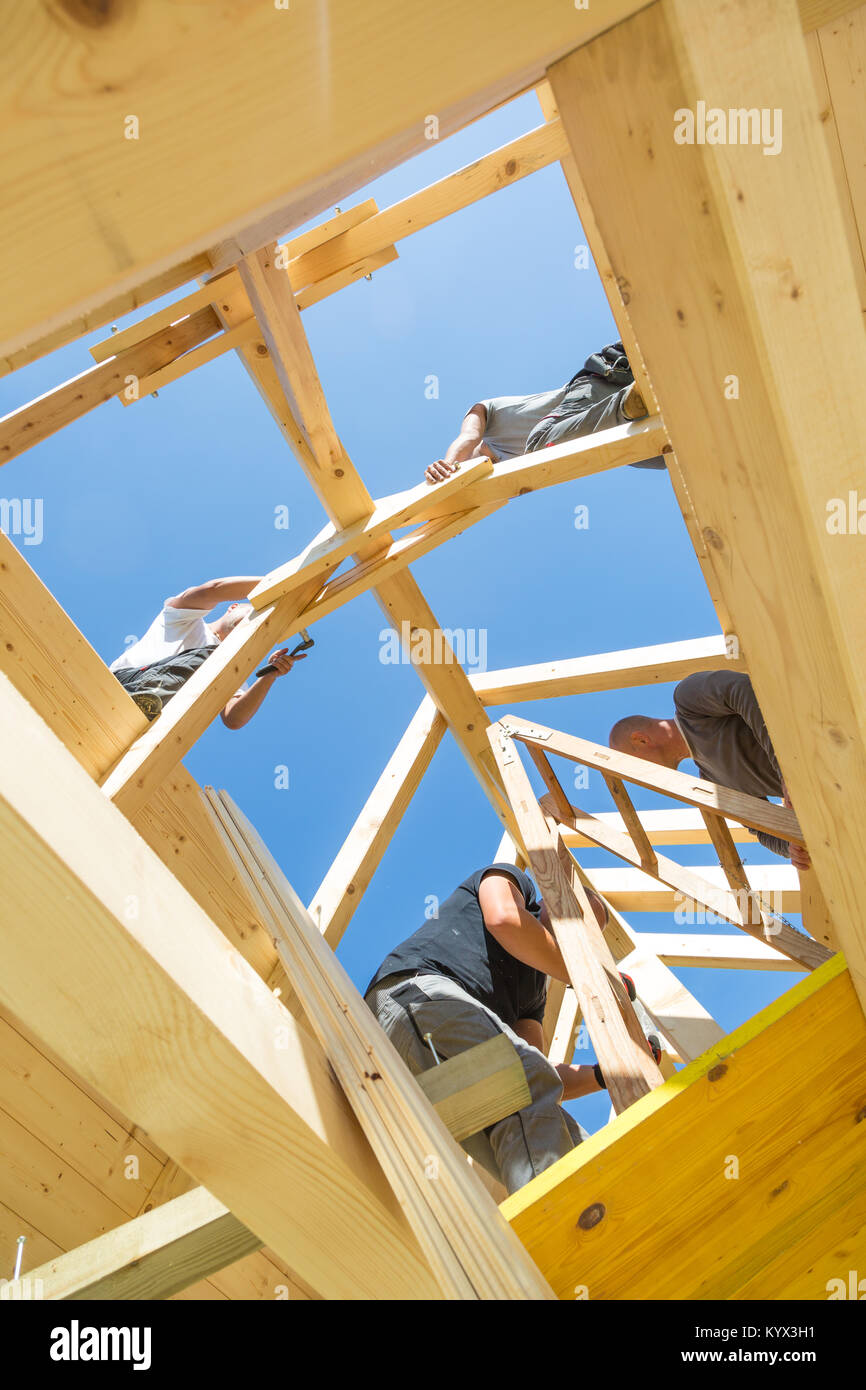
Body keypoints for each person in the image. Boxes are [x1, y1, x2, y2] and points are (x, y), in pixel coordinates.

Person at [364, 862, 656, 1194]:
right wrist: (592, 979)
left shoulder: (533, 993)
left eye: (588, 932)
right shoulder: (511, 882)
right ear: (550, 900)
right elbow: (504, 919)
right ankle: (559, 1216)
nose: (577, 932)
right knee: (523, 1089)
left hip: (419, 1073)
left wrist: (605, 1074)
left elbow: (537, 1072)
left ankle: (583, 1229)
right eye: (576, 915)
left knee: (567, 1146)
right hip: (410, 1000)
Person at [609, 670, 810, 869]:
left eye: (636, 768)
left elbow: (743, 689)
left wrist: (786, 771)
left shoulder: (688, 700)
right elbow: (761, 829)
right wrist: (791, 844)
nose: (644, 778)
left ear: (641, 739)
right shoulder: (712, 783)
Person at [424, 342, 665, 483]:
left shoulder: (485, 412)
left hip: (596, 389)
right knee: (658, 451)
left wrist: (447, 466)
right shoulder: (508, 471)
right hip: (607, 422)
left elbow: (468, 438)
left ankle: (630, 402)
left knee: (539, 447)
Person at [110, 575, 304, 726]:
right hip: (123, 686)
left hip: (152, 717)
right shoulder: (183, 619)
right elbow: (211, 590)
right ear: (233, 607)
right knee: (214, 657)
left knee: (221, 662)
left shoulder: (230, 667)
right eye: (253, 613)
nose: (254, 621)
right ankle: (143, 701)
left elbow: (234, 718)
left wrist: (269, 675)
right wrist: (285, 583)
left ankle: (146, 707)